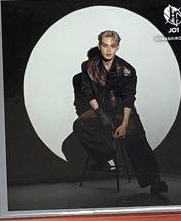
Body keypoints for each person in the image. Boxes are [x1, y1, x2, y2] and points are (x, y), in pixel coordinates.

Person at [70, 30, 168, 196]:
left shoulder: (127, 70)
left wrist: (124, 124)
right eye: (105, 45)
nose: (108, 50)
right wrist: (100, 114)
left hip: (122, 111)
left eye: (112, 46)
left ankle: (155, 182)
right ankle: (106, 157)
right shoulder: (87, 66)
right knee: (79, 125)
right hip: (98, 109)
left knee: (137, 138)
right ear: (99, 46)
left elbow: (129, 99)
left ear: (117, 47)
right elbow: (88, 93)